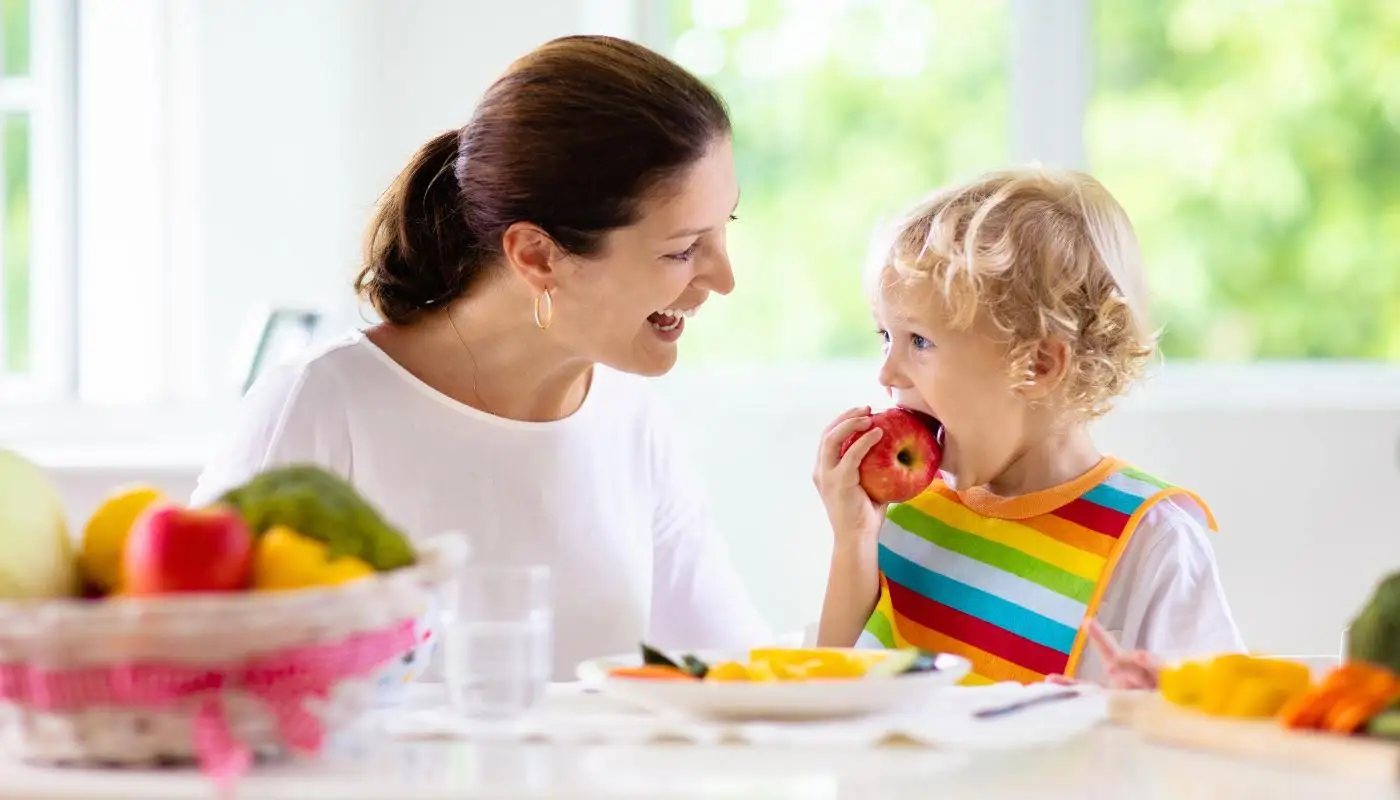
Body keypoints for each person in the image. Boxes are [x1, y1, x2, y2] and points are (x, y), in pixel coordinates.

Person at [190, 35, 771, 680]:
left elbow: (735, 682)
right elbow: (191, 675)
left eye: (724, 229)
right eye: (683, 249)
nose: (724, 279)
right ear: (538, 256)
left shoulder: (633, 422)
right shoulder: (324, 404)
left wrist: (849, 559)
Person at [812, 167, 1244, 687]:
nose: (887, 373)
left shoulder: (1153, 542)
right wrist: (853, 541)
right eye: (885, 335)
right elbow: (833, 694)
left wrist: (1149, 703)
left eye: (919, 341)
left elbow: (1215, 711)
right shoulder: (908, 514)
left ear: (1037, 366)